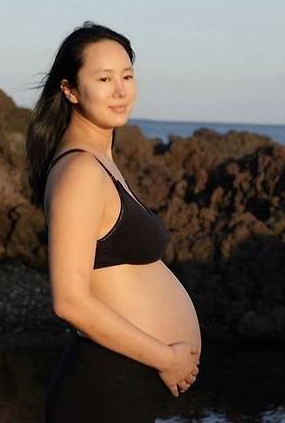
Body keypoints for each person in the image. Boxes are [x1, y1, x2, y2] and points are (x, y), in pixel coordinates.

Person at [26, 21, 202, 422]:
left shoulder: (100, 160)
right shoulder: (80, 170)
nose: (121, 90)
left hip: (121, 383)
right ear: (69, 90)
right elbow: (69, 300)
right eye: (104, 78)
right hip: (103, 388)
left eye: (127, 76)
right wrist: (167, 357)